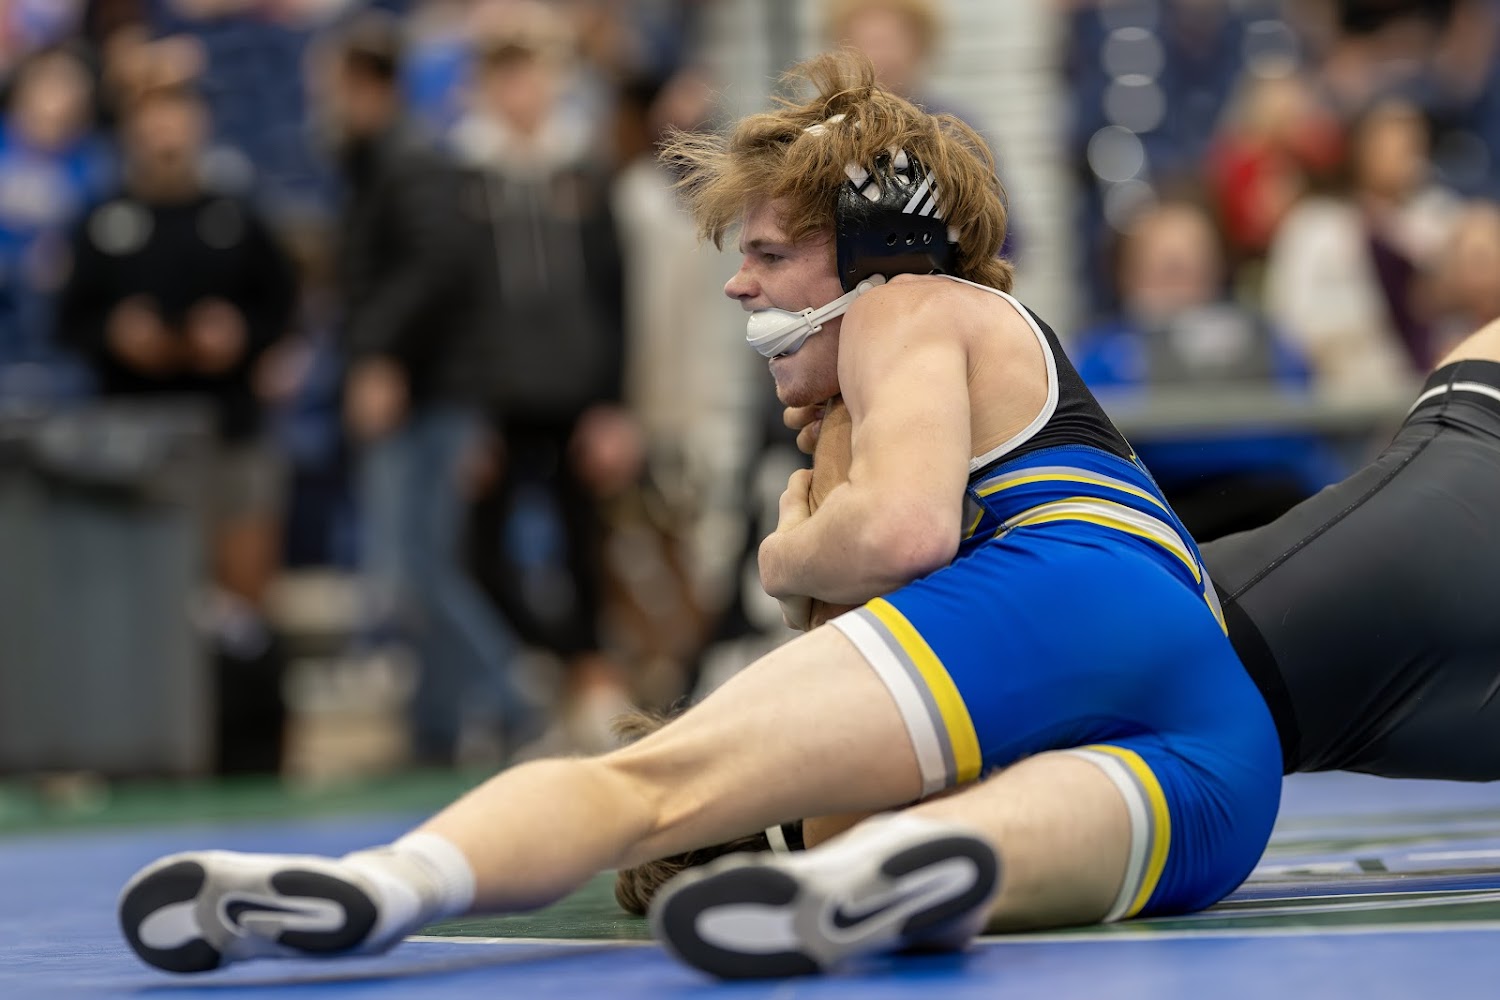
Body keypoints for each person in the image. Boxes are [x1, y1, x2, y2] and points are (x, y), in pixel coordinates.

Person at [116, 52, 1281, 979]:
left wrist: (789, 545)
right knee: (947, 847)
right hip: (1222, 742)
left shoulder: (906, 305)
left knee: (646, 786)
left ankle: (387, 882)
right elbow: (861, 751)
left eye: (769, 252)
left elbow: (905, 533)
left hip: (1067, 585)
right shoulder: (953, 370)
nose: (740, 283)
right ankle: (897, 875)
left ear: (873, 248)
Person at [56, 79, 297, 774]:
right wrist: (117, 332)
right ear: (133, 129)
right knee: (138, 600)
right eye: (153, 115)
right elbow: (69, 320)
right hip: (134, 445)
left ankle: (248, 747)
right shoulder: (103, 219)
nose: (166, 130)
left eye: (178, 114)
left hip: (228, 432)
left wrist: (240, 333)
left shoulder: (235, 215)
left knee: (242, 599)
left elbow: (282, 309)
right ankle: (138, 746)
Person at [320, 13, 539, 767]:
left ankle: (513, 700)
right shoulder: (385, 160)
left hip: (427, 396)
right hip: (429, 392)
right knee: (417, 568)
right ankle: (435, 730)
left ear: (362, 83)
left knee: (414, 570)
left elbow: (433, 269)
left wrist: (379, 357)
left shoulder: (408, 162)